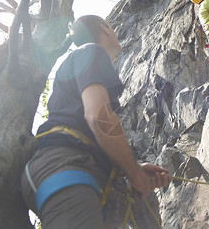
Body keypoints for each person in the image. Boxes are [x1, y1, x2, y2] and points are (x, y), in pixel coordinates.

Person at [20, 15, 171, 228]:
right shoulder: (91, 50)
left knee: (146, 200)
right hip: (65, 166)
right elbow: (98, 116)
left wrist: (134, 169)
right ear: (105, 29)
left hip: (72, 169)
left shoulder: (80, 62)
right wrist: (133, 173)